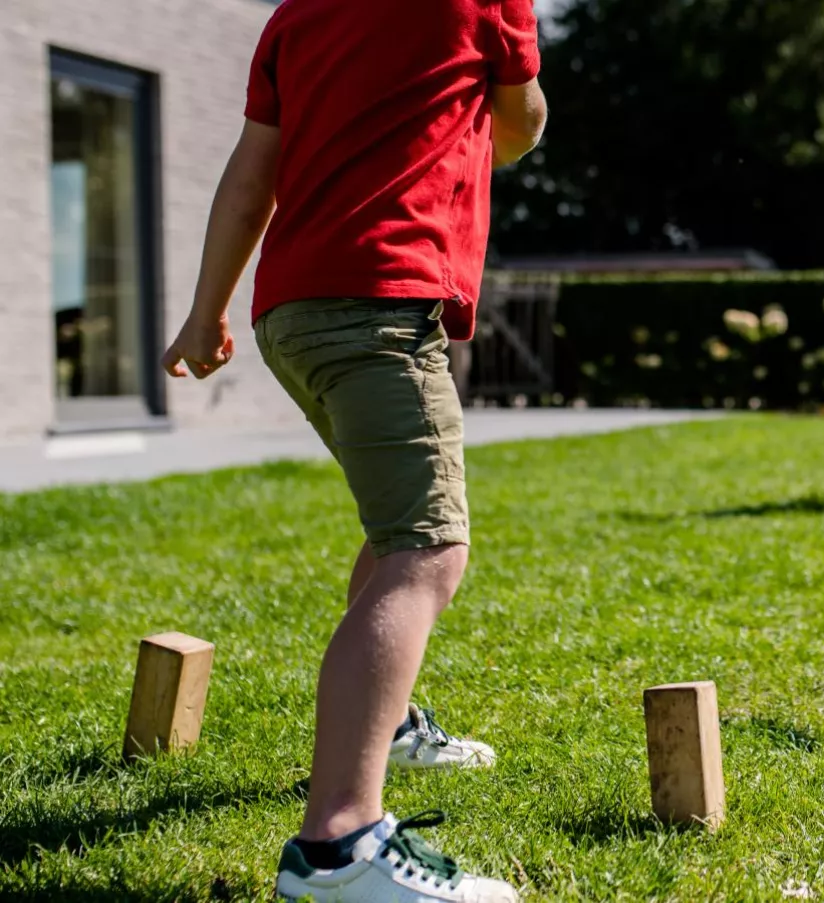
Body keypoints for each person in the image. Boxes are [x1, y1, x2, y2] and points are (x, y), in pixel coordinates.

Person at [159, 0, 547, 899]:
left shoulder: (298, 14)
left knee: (392, 525)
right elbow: (518, 131)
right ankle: (339, 847)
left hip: (291, 309)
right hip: (383, 300)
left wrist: (206, 306)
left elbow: (252, 171)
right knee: (428, 553)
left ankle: (395, 726)